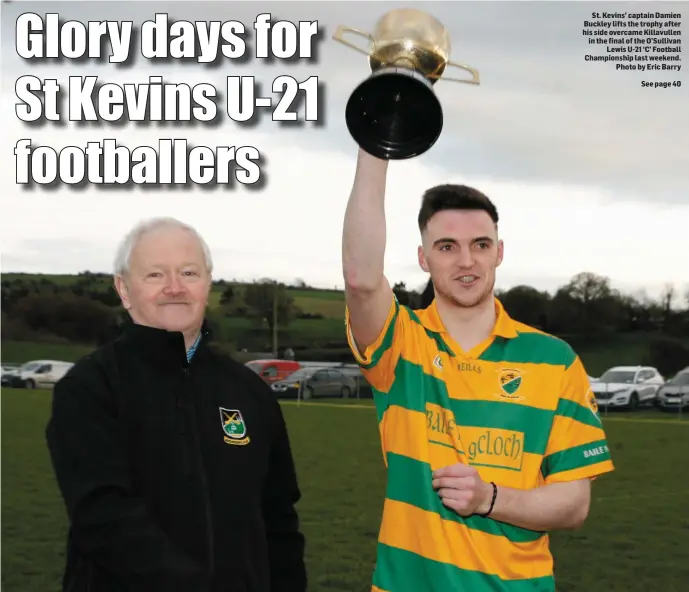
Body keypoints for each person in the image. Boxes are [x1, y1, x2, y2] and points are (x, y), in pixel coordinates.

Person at [342, 150, 614, 592]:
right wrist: (377, 143)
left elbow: (573, 504)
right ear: (423, 258)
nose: (466, 261)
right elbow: (360, 278)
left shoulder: (554, 359)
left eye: (480, 245)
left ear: (499, 252)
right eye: (447, 247)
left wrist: (489, 498)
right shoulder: (401, 343)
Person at [45, 217, 307, 592]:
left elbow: (279, 519)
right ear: (124, 289)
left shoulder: (250, 391)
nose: (174, 288)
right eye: (155, 275)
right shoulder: (90, 387)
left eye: (188, 272)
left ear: (208, 282)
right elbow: (102, 516)